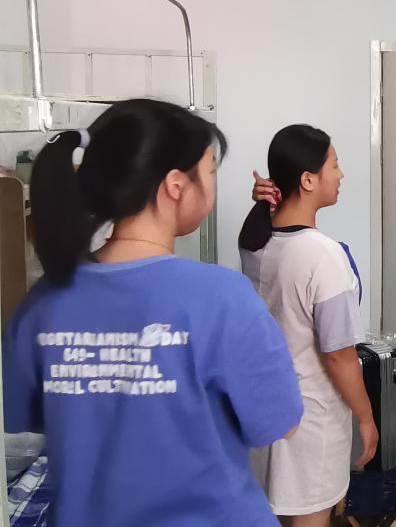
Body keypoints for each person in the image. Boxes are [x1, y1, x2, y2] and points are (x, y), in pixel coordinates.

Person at [2, 99, 303, 527]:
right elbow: (279, 424)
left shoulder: (42, 304)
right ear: (176, 185)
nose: (213, 184)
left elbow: (29, 419)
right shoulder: (222, 298)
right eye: (210, 171)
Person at [240, 125, 377, 527]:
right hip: (311, 419)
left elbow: (256, 229)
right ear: (307, 180)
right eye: (334, 164)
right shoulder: (322, 256)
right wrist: (366, 418)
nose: (341, 174)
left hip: (267, 410)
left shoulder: (254, 244)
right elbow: (339, 355)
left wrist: (261, 203)